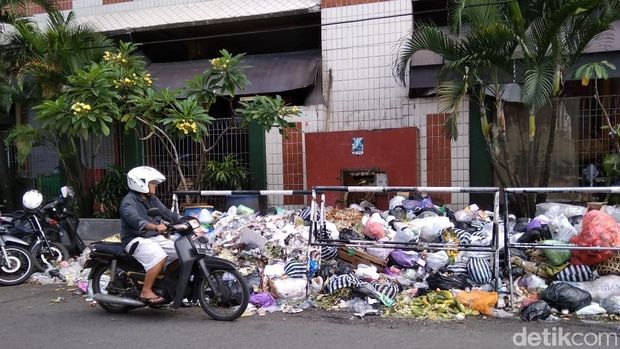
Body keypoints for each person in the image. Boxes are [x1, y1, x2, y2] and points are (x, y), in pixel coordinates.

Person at [119, 166, 181, 305]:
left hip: (153, 237)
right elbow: (135, 220)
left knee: (180, 252)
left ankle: (162, 281)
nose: (155, 186)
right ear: (140, 183)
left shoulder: (151, 199)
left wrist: (187, 220)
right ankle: (146, 290)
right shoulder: (128, 202)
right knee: (159, 256)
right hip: (135, 238)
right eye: (152, 183)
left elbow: (166, 213)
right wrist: (154, 226)